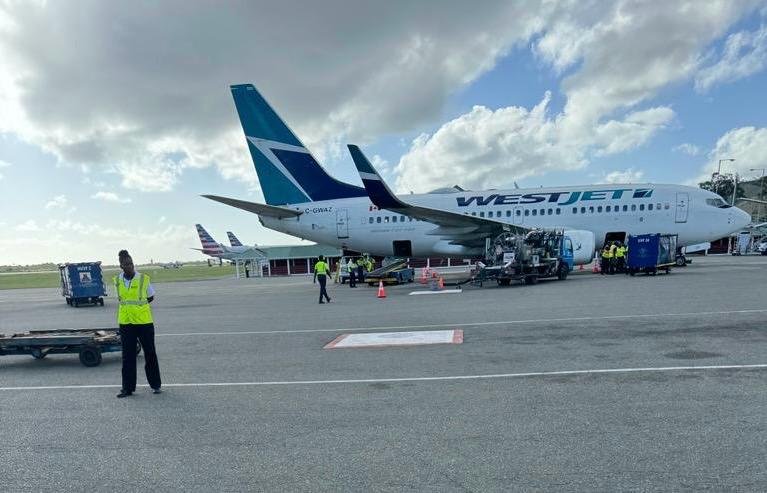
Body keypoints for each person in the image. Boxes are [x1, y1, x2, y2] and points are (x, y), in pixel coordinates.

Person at [113, 250, 162, 398]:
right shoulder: (117, 280)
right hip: (126, 323)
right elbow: (122, 299)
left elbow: (150, 297)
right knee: (127, 356)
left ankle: (155, 385)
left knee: (150, 353)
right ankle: (127, 388)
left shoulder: (143, 279)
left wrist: (139, 309)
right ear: (121, 265)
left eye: (131, 263)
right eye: (126, 264)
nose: (130, 266)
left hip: (144, 322)